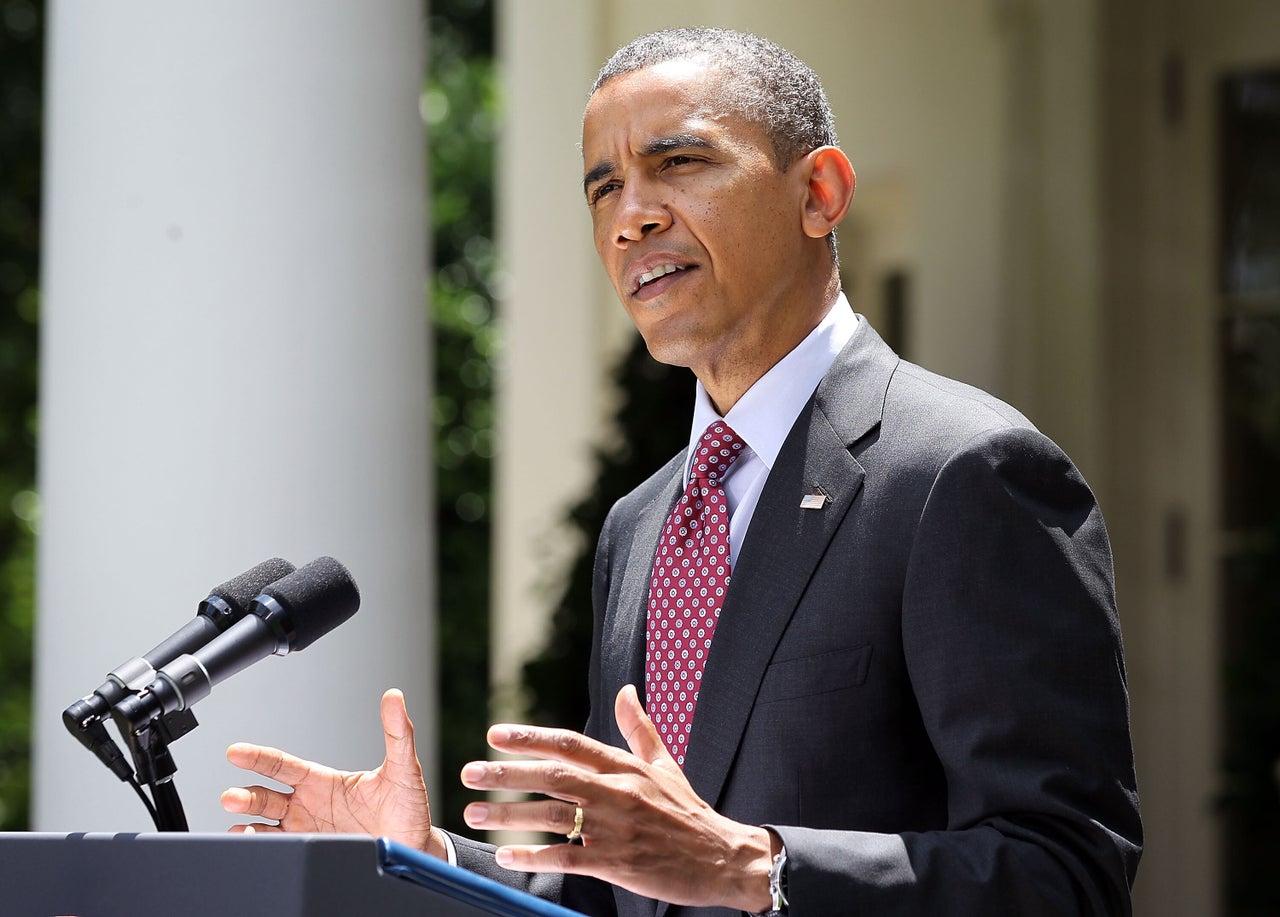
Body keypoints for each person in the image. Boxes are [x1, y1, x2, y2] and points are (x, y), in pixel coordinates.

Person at [222, 28, 1142, 916]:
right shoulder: (640, 522)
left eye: (679, 164)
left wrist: (754, 865)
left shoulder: (963, 472)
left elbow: (1066, 872)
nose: (633, 216)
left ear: (819, 192)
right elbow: (619, 881)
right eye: (603, 188)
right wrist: (427, 857)